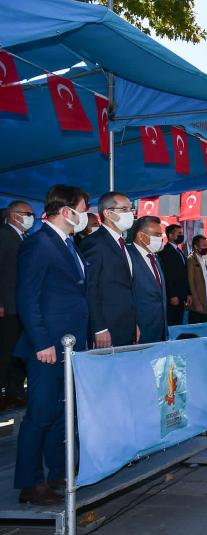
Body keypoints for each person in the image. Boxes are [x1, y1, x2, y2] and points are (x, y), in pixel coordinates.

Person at [14, 185, 90, 505]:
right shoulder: (39, 243)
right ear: (66, 211)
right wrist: (42, 342)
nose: (85, 216)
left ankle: (59, 473)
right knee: (41, 413)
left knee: (62, 412)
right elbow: (27, 298)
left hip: (70, 345)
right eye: (82, 210)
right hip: (47, 347)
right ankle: (30, 483)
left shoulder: (69, 243)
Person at [80, 191, 138, 347]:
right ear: (107, 213)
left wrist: (134, 323)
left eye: (131, 209)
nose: (130, 213)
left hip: (126, 323)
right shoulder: (95, 243)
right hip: (107, 327)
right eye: (124, 209)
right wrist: (99, 328)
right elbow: (90, 288)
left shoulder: (122, 243)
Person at [0, 200, 33, 409]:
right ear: (14, 215)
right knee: (5, 351)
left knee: (19, 352)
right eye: (27, 214)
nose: (31, 217)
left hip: (21, 305)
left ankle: (15, 391)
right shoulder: (4, 235)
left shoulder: (24, 237)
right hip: (8, 305)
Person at [127, 216, 167, 344]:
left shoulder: (154, 257)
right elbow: (125, 294)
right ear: (141, 236)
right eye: (157, 235)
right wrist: (131, 324)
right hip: (140, 331)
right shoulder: (127, 256)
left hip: (159, 329)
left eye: (161, 235)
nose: (160, 239)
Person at [159, 224, 191, 326]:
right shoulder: (165, 251)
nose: (182, 235)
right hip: (173, 297)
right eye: (179, 233)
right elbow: (167, 275)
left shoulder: (179, 251)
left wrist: (188, 293)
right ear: (171, 235)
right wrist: (172, 295)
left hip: (181, 296)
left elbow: (184, 274)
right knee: (172, 323)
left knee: (179, 323)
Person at [187, 235, 207, 323]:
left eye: (206, 245)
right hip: (197, 304)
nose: (206, 247)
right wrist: (196, 302)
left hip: (206, 302)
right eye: (203, 245)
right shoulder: (191, 259)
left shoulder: (203, 260)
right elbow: (190, 282)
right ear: (196, 246)